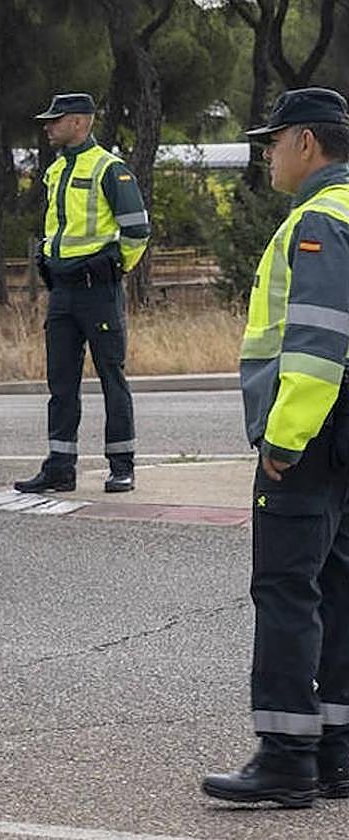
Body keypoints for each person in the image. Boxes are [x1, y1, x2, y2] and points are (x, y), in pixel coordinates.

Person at [201, 87, 349, 808]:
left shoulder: (318, 221)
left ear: (306, 144)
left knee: (288, 589)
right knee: (340, 587)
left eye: (272, 140)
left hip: (315, 431)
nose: (266, 153)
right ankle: (338, 753)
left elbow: (317, 347)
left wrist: (285, 438)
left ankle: (287, 756)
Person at [14, 93, 151, 495]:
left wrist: (115, 268)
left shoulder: (111, 168)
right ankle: (60, 467)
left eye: (55, 120)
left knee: (112, 377)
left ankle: (122, 465)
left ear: (79, 122)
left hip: (98, 292)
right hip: (62, 293)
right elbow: (58, 227)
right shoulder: (56, 170)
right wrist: (46, 255)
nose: (48, 126)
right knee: (60, 383)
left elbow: (137, 230)